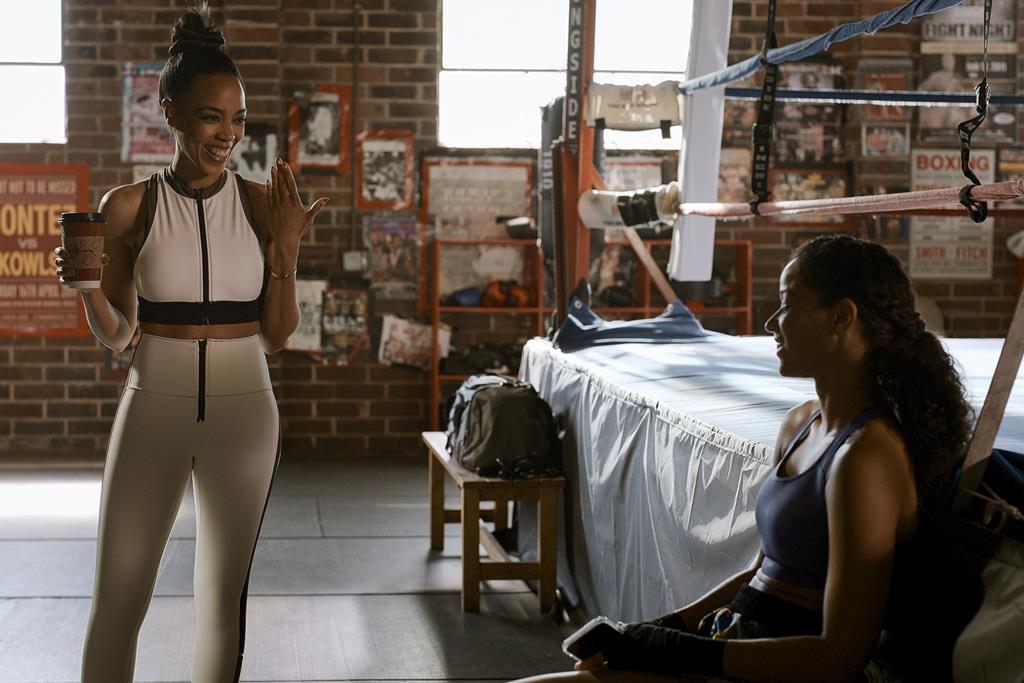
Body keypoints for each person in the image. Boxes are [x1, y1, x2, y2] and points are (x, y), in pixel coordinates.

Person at [513, 234, 972, 683]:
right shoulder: (800, 424)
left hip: (787, 667)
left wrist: (674, 651)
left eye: (787, 305)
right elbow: (762, 572)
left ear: (841, 316)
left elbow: (840, 657)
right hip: (741, 640)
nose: (772, 323)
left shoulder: (866, 455)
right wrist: (665, 627)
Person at [54, 4, 328, 682]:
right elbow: (119, 335)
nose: (227, 134)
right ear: (170, 113)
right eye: (211, 117)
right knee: (118, 598)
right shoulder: (128, 207)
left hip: (246, 411)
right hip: (154, 403)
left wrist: (286, 253)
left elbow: (276, 335)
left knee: (222, 604)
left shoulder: (263, 204)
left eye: (238, 119)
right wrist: (86, 288)